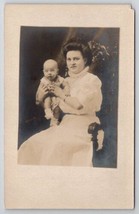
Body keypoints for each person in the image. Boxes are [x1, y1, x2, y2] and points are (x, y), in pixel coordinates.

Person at [18, 38, 104, 166]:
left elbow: (79, 105)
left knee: (56, 146)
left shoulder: (91, 80)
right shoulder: (64, 81)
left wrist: (60, 94)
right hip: (65, 124)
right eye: (69, 59)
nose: (72, 63)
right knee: (32, 144)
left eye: (76, 59)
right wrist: (42, 95)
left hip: (84, 125)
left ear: (85, 60)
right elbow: (46, 104)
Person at [36, 59, 70, 126]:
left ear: (57, 71)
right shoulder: (43, 81)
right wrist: (41, 93)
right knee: (47, 99)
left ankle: (55, 120)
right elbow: (38, 94)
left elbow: (66, 85)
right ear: (43, 72)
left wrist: (66, 91)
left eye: (52, 70)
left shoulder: (59, 79)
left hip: (57, 97)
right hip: (48, 96)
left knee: (57, 109)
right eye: (46, 71)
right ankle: (48, 111)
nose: (49, 73)